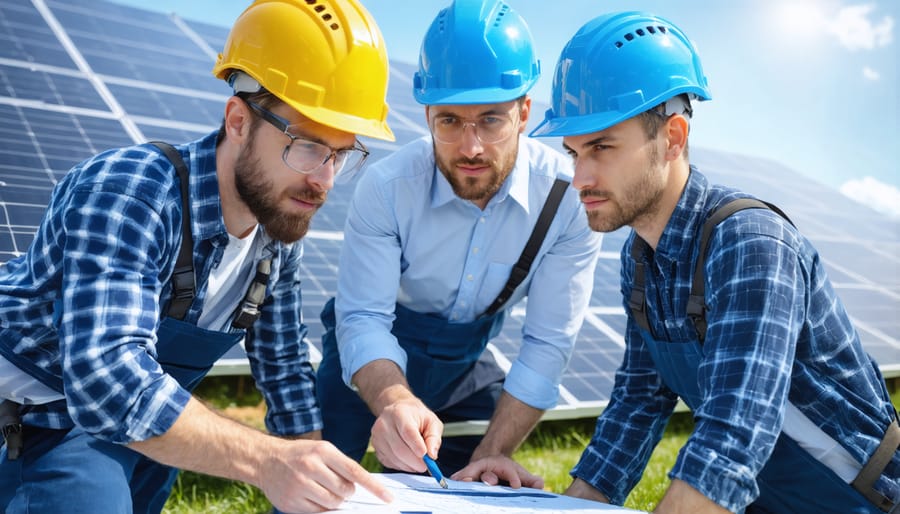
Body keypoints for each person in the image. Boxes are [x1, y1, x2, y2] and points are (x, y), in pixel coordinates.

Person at [0, 1, 397, 512]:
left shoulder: (274, 234)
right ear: (237, 121)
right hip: (38, 419)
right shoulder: (131, 193)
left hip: (140, 426)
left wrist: (318, 482)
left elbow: (282, 366)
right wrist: (268, 461)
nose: (323, 179)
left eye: (340, 154)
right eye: (306, 145)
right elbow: (108, 380)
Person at [515, 10, 897, 514]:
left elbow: (733, 434)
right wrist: (572, 507)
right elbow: (637, 406)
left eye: (602, 147)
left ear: (673, 137)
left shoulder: (749, 243)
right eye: (573, 152)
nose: (581, 177)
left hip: (862, 501)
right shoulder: (640, 260)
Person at [315, 0, 602, 488]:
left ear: (525, 112)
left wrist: (494, 453)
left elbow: (547, 342)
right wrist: (394, 400)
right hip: (370, 355)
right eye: (449, 121)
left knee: (472, 490)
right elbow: (364, 318)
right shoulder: (386, 188)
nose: (470, 147)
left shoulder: (568, 198)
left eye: (491, 120)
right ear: (427, 113)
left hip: (467, 364)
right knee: (318, 483)